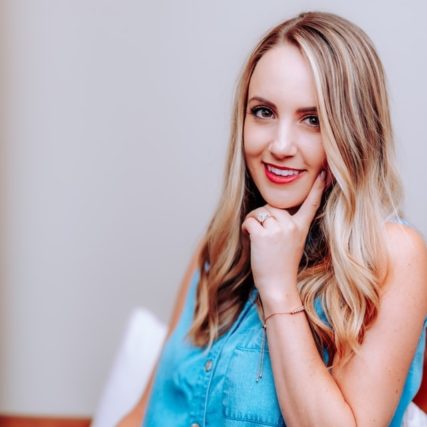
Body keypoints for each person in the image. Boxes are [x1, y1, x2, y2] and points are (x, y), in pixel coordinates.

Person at [119, 11, 427, 427]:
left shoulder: (394, 255)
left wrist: (279, 290)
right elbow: (143, 413)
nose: (280, 145)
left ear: (354, 134)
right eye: (263, 112)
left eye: (313, 120)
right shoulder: (220, 245)